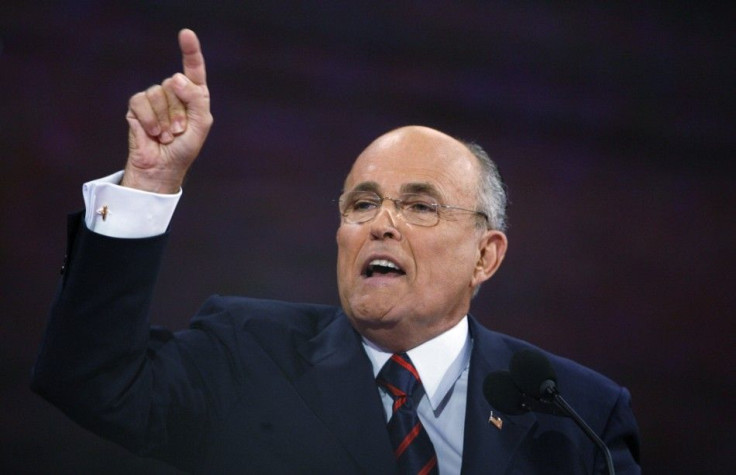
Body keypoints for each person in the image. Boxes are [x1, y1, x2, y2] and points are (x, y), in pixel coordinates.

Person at [31, 29, 641, 474]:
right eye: (363, 203)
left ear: (486, 256)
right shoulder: (245, 354)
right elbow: (87, 379)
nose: (381, 224)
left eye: (420, 206)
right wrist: (149, 184)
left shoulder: (576, 413)